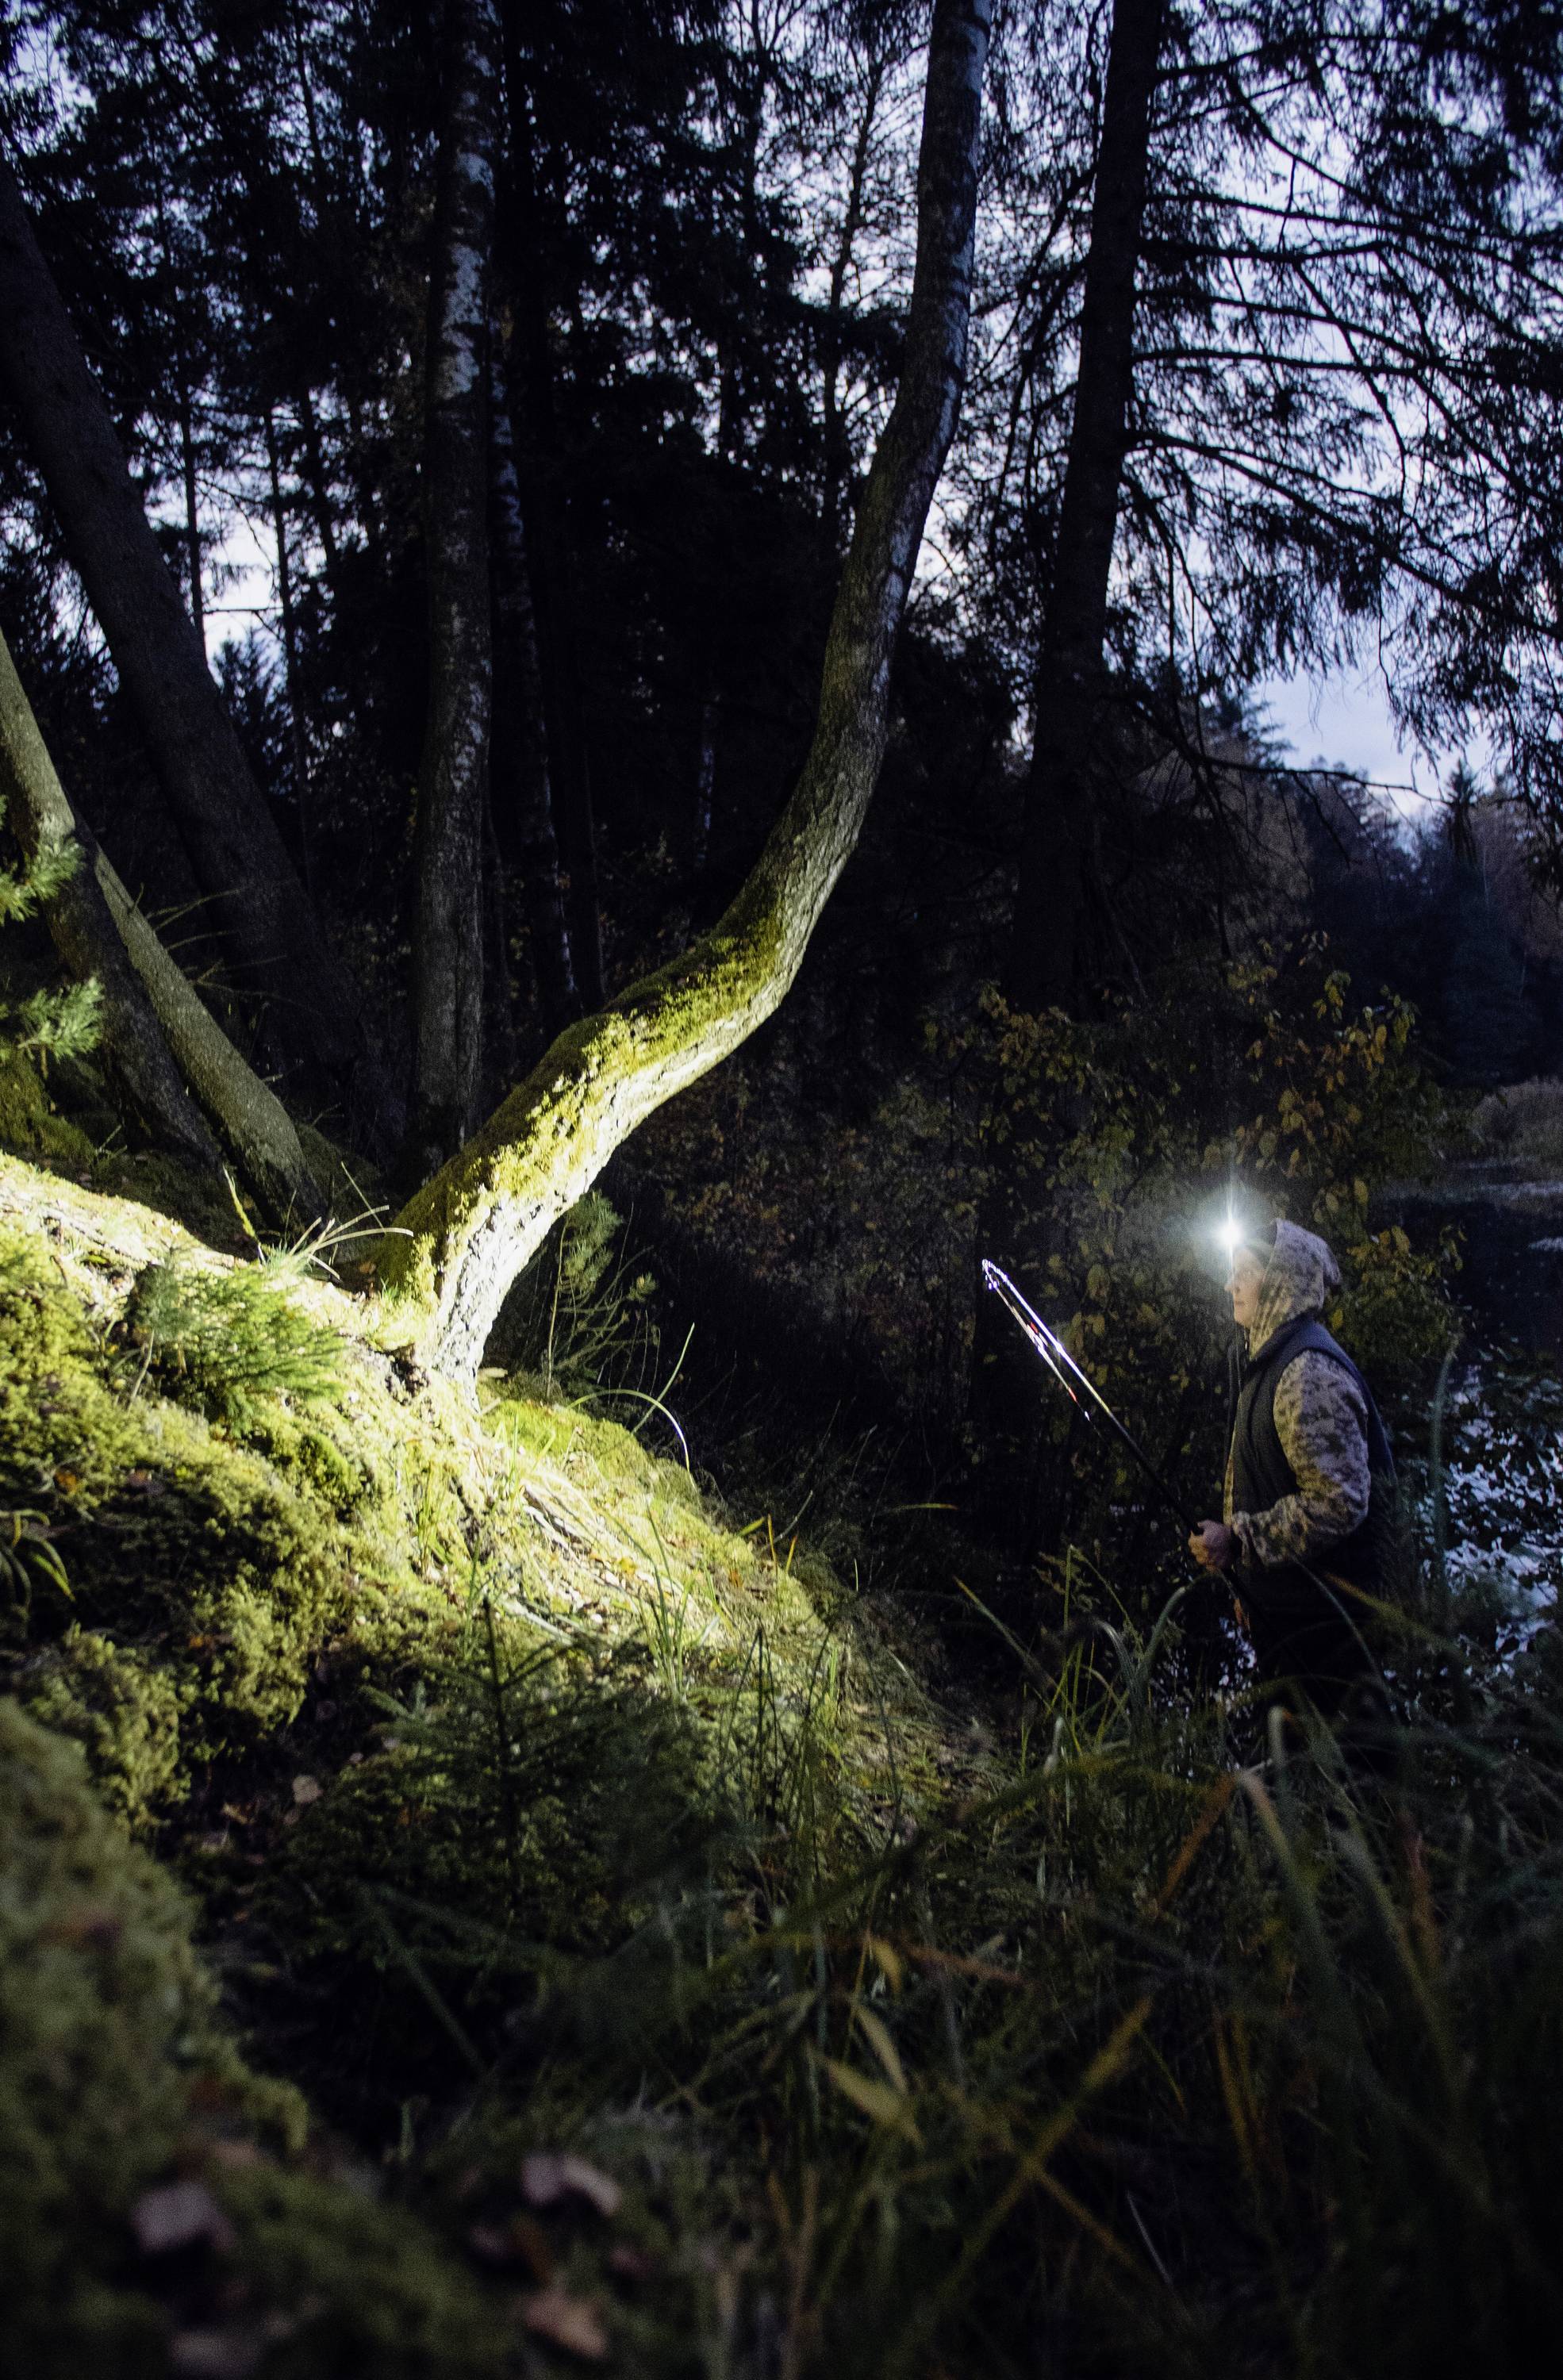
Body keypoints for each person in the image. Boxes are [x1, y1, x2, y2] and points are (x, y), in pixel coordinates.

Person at [1189, 1217, 1396, 1723]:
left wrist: (1241, 1542)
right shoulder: (1272, 1362)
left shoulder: (1306, 1373)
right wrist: (1249, 1579)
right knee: (1294, 1781)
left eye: (1244, 1272)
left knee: (1349, 1777)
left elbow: (1339, 1504)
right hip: (1293, 1619)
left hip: (1330, 1627)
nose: (1229, 1284)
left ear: (1279, 1283)